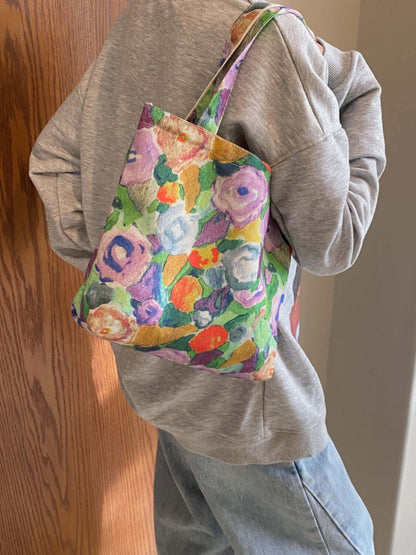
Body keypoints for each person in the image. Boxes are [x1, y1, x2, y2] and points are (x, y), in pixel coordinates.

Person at [29, 1, 386, 553]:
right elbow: (334, 239)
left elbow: (52, 160)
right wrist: (360, 97)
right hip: (245, 403)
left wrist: (143, 289)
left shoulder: (141, 19)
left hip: (159, 380)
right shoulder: (274, 42)